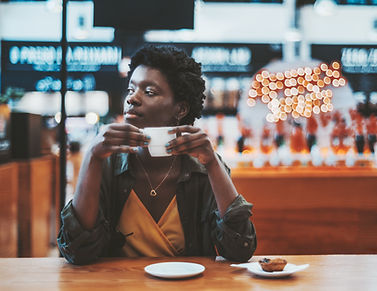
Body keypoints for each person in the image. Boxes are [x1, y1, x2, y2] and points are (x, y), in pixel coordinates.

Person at [57, 45, 256, 265]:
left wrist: (213, 164)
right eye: (131, 90)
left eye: (149, 92)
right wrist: (92, 157)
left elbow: (240, 250)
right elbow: (77, 251)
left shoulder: (203, 168)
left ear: (180, 109)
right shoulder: (106, 162)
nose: (132, 99)